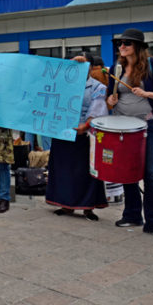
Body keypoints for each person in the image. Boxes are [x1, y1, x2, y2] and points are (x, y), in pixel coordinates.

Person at [106, 28, 153, 235]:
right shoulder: (116, 68)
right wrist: (110, 100)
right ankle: (132, 215)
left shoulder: (152, 65)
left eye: (127, 43)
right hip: (122, 127)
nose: (122, 46)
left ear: (137, 46)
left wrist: (146, 93)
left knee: (151, 173)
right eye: (120, 43)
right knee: (127, 171)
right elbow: (110, 98)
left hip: (148, 125)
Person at [46, 54, 108, 220]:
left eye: (84, 65)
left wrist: (86, 125)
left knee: (86, 172)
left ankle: (88, 207)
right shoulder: (62, 83)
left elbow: (97, 108)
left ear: (91, 68)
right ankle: (65, 205)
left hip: (85, 134)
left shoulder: (98, 87)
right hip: (62, 132)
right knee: (63, 170)